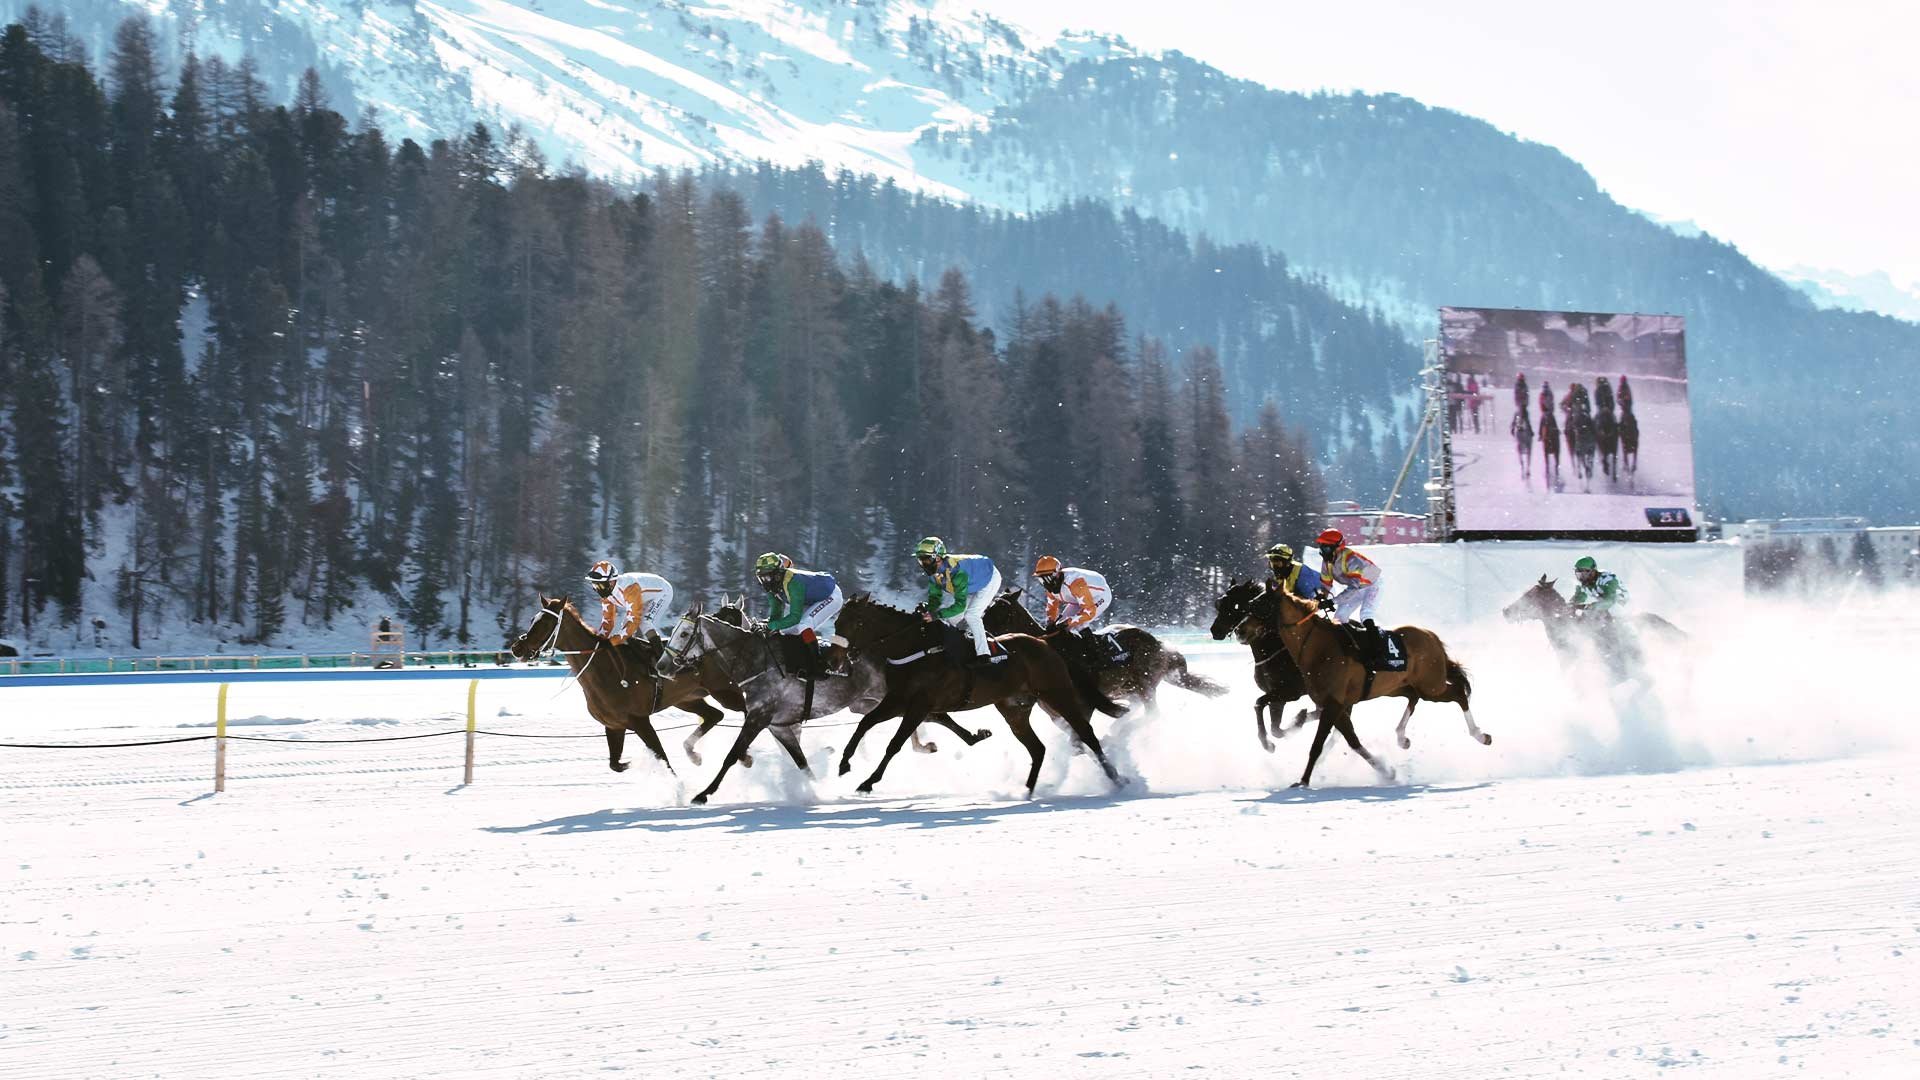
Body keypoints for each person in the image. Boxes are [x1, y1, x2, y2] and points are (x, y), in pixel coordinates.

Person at [756, 552, 846, 677]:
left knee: (803, 626)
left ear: (777, 574)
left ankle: (818, 665)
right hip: (811, 598)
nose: (764, 581)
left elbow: (795, 617)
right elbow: (776, 612)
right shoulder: (772, 587)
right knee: (787, 630)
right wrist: (770, 626)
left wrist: (771, 626)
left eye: (767, 577)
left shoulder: (793, 583)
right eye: (761, 578)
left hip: (831, 596)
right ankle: (802, 660)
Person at [914, 536, 1001, 663]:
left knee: (971, 615)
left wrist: (936, 615)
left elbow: (959, 605)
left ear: (938, 557)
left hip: (989, 579)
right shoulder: (934, 574)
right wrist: (928, 610)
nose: (923, 565)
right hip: (971, 584)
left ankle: (984, 655)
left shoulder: (957, 572)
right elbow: (935, 598)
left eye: (926, 560)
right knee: (952, 619)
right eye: (920, 561)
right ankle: (956, 646)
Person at [1035, 555, 1125, 664]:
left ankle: (1099, 656)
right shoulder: (1051, 585)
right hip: (1078, 600)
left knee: (1079, 624)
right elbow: (1052, 606)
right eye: (1041, 579)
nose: (1045, 582)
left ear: (1056, 574)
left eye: (1047, 578)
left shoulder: (1076, 583)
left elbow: (1089, 612)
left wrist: (1068, 622)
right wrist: (1050, 621)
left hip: (1100, 596)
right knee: (1060, 626)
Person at [585, 559, 674, 646]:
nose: (597, 589)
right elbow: (608, 619)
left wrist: (613, 641)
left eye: (599, 585)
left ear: (611, 582)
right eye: (594, 584)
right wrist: (600, 639)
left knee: (644, 622)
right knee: (625, 626)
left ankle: (661, 656)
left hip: (663, 592)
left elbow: (634, 619)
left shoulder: (629, 588)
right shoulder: (607, 593)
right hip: (644, 596)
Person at [1315, 529, 1382, 625]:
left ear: (1338, 548)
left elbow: (1353, 588)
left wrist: (1332, 601)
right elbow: (1326, 586)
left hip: (1373, 585)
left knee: (1366, 615)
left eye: (1326, 549)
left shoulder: (1351, 560)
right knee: (1339, 618)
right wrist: (1321, 597)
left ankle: (1376, 638)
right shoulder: (1326, 563)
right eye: (1322, 548)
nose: (1323, 552)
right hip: (1358, 587)